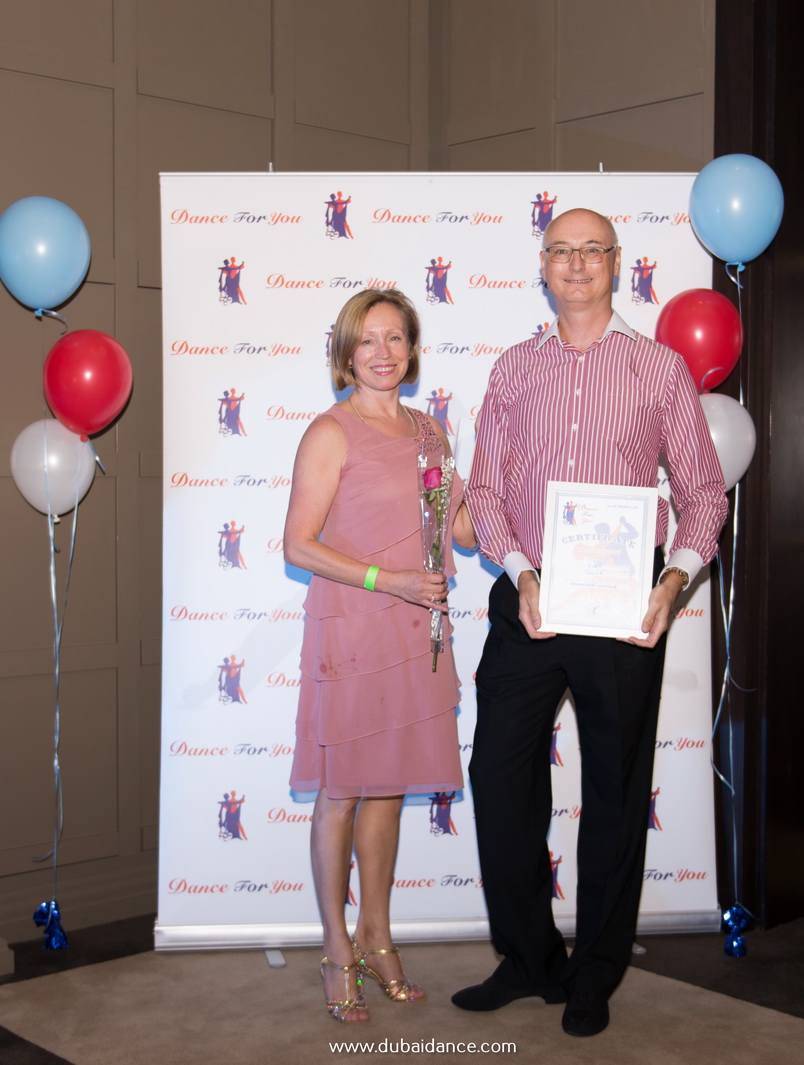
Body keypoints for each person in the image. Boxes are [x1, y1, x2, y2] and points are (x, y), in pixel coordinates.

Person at [454, 208, 729, 1037]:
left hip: (623, 605)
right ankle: (527, 957)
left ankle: (594, 971)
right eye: (561, 251)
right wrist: (521, 570)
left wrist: (673, 581)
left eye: (592, 251)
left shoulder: (659, 369)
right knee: (500, 778)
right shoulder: (514, 368)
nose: (576, 264)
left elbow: (704, 492)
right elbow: (485, 490)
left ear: (616, 262)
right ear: (543, 265)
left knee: (614, 787)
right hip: (528, 596)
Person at [284, 288, 476, 1024]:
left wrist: (521, 502)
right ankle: (336, 945)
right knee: (342, 791)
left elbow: (460, 530)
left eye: (395, 337)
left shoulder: (430, 431)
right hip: (355, 627)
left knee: (388, 788)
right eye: (368, 339)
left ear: (413, 349)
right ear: (346, 351)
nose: (383, 352)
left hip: (415, 631)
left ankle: (378, 933)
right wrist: (386, 579)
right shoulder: (329, 432)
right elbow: (298, 545)